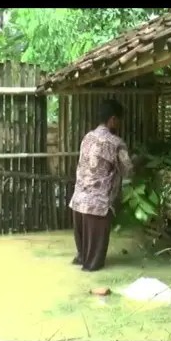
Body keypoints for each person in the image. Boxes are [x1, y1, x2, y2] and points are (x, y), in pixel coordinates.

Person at [68, 99, 138, 272]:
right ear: (113, 119)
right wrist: (139, 161)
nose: (120, 124)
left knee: (84, 258)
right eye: (119, 120)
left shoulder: (87, 138)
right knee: (93, 267)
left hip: (78, 204)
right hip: (97, 208)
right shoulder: (115, 143)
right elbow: (128, 171)